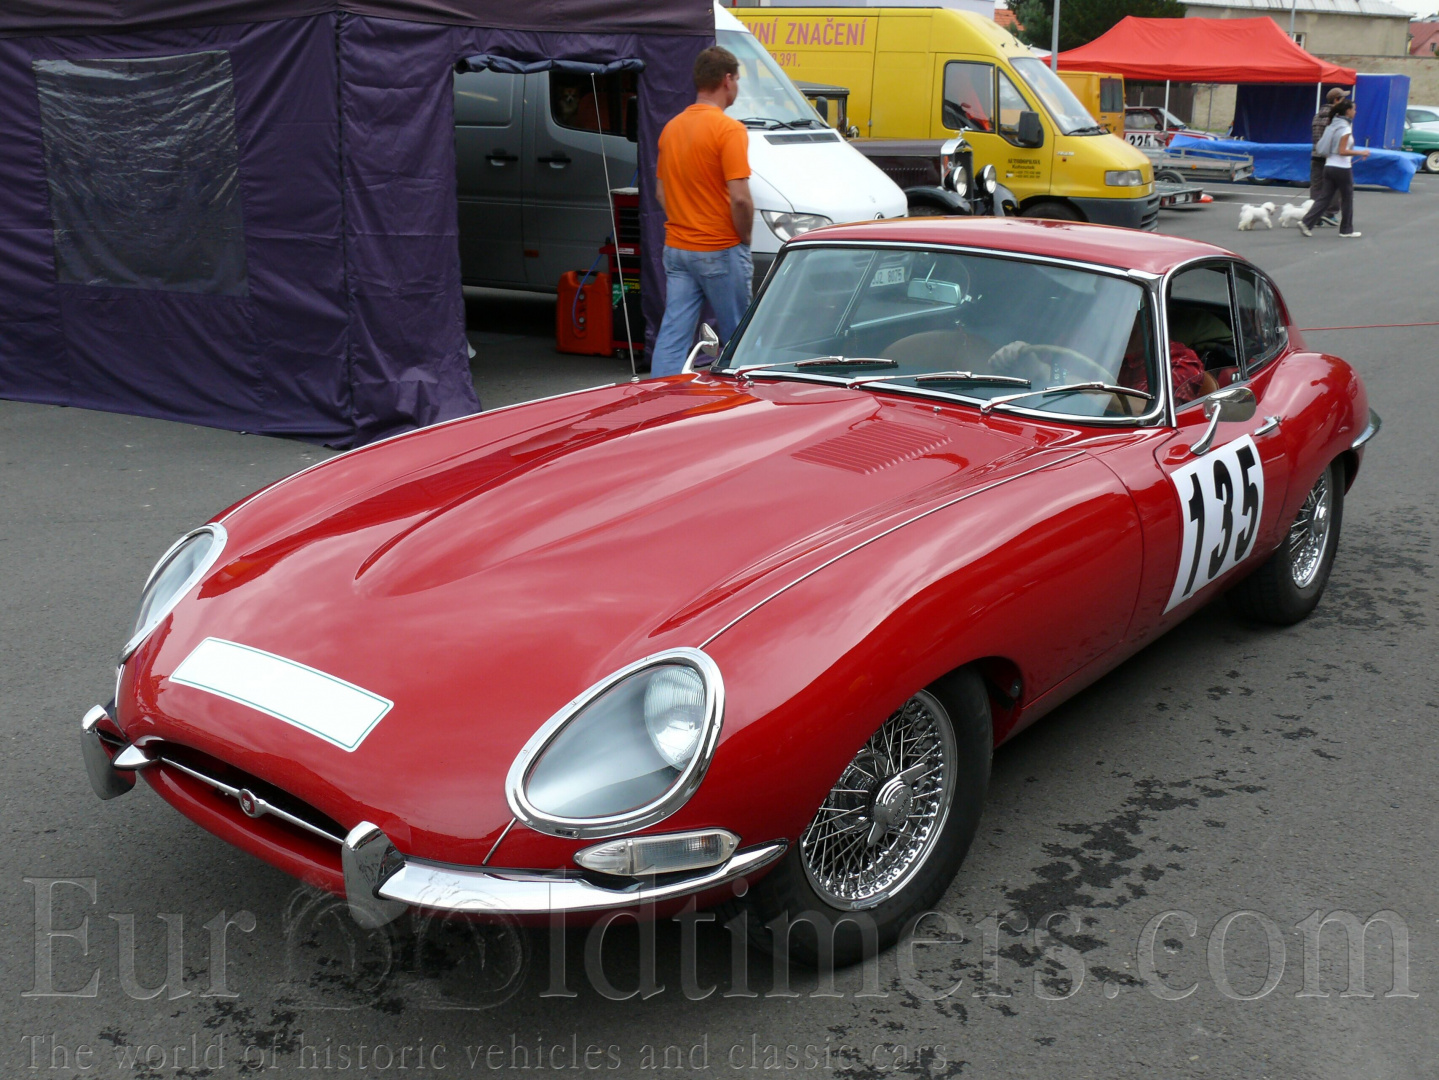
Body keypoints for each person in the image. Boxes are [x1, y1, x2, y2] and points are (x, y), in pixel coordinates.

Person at [649, 47, 755, 377]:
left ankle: (661, 397)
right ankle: (743, 400)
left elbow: (661, 193)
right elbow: (740, 199)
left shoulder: (672, 128)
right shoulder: (729, 130)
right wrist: (744, 238)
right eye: (737, 80)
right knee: (739, 337)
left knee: (673, 335)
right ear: (727, 80)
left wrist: (687, 219)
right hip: (719, 247)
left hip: (678, 248)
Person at [1299, 99, 1369, 238]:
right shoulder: (1345, 128)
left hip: (1329, 166)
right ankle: (1346, 230)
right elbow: (1342, 151)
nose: (1355, 112)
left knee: (1324, 197)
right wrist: (1361, 152)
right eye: (1354, 109)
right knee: (1347, 199)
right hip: (1342, 168)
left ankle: (1306, 222)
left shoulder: (1333, 125)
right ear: (1348, 111)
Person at [1309, 88, 1347, 227]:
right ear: (1336, 100)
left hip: (1316, 154)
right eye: (1343, 99)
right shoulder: (1336, 118)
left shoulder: (1317, 115)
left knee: (1316, 186)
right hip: (1331, 156)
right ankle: (1330, 213)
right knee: (1335, 186)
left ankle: (1314, 214)